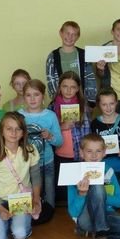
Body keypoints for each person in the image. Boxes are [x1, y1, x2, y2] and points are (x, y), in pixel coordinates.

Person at [68, 134, 120, 239]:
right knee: (97, 186)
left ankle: (95, 235)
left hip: (106, 214)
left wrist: (101, 196)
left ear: (104, 153)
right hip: (85, 219)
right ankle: (101, 235)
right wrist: (82, 194)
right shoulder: (74, 173)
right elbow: (73, 212)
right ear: (81, 153)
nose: (94, 155)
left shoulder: (108, 171)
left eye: (98, 151)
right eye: (89, 151)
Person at [0, 112, 41, 239]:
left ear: (23, 132)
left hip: (22, 200)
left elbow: (36, 176)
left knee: (20, 234)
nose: (13, 133)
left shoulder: (30, 150)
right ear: (2, 131)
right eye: (9, 128)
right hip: (1, 201)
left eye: (18, 129)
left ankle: (18, 225)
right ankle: (2, 220)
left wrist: (36, 199)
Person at [18, 79, 63, 209]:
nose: (32, 99)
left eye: (36, 94)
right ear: (24, 97)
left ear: (43, 96)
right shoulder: (18, 115)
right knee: (27, 191)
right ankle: (30, 214)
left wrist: (50, 136)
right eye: (28, 95)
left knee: (49, 192)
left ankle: (48, 212)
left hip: (46, 161)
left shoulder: (51, 116)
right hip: (25, 163)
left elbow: (59, 142)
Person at [49, 71, 91, 203]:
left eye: (72, 87)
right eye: (65, 86)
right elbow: (47, 131)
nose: (68, 90)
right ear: (59, 87)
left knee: (79, 188)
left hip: (79, 154)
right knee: (62, 194)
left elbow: (88, 131)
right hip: (60, 154)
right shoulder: (52, 106)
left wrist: (87, 153)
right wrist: (62, 127)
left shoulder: (83, 106)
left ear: (78, 89)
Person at [45, 20, 97, 107]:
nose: (70, 37)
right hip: (60, 102)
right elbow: (51, 80)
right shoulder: (53, 56)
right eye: (67, 33)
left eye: (74, 34)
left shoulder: (84, 55)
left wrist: (91, 102)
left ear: (78, 37)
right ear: (61, 33)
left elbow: (90, 78)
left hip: (82, 101)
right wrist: (57, 99)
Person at [91, 88, 120, 196]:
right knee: (102, 196)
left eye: (111, 104)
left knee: (118, 197)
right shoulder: (94, 124)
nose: (108, 108)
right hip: (101, 166)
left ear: (116, 103)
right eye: (104, 104)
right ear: (99, 105)